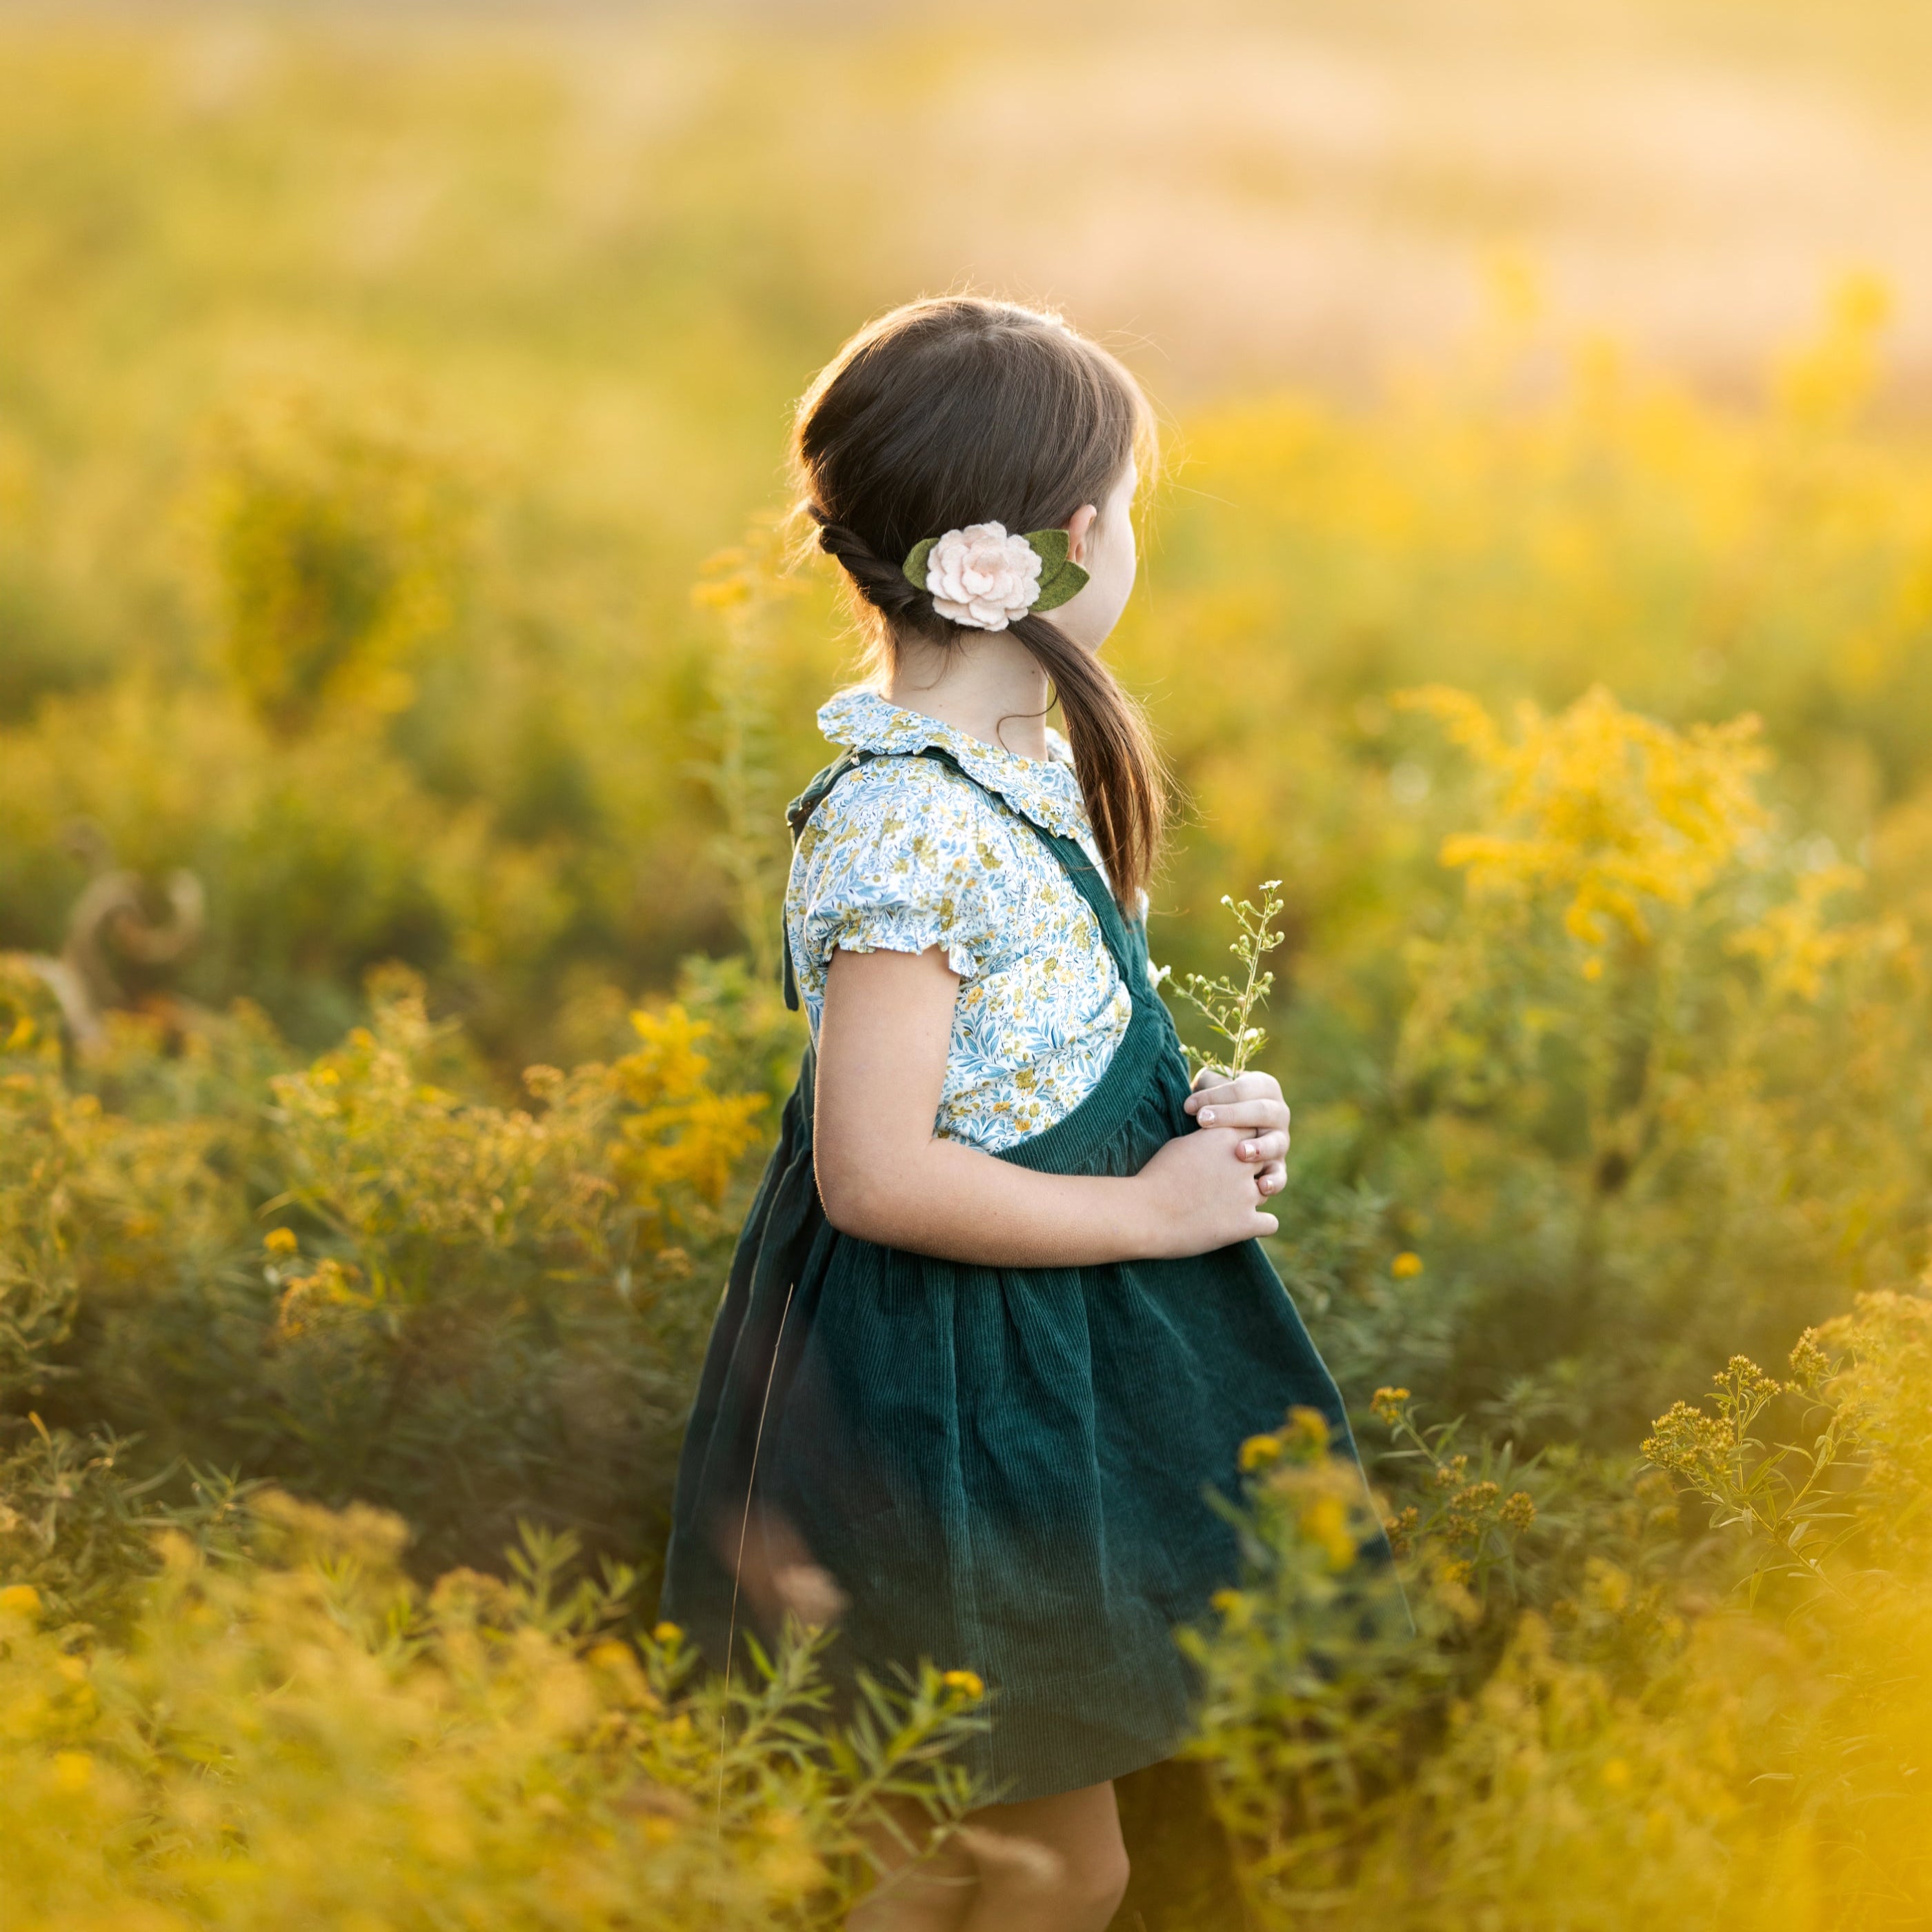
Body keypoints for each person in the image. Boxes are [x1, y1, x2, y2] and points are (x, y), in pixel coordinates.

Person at [661, 295, 1375, 1931]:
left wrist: (1196, 1116)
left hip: (1039, 1371)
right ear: (1060, 542)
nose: (1131, 541)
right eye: (1127, 510)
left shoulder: (1005, 762)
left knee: (958, 1850)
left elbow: (1033, 1049)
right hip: (956, 1403)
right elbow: (874, 1171)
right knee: (1052, 1858)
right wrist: (1152, 1212)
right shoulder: (904, 820)